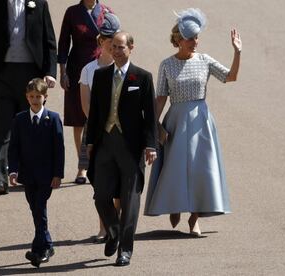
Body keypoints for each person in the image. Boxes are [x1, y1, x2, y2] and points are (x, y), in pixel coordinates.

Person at [144, 8, 242, 236]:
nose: (194, 42)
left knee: (200, 169)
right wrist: (155, 126)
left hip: (201, 121)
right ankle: (175, 205)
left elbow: (231, 76)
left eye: (197, 37)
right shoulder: (166, 65)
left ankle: (194, 218)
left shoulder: (205, 60)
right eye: (190, 38)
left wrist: (237, 53)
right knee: (174, 168)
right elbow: (160, 99)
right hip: (176, 120)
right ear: (178, 40)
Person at [86, 32, 157, 266]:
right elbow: (95, 112)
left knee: (129, 200)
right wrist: (89, 142)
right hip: (105, 143)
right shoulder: (101, 75)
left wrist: (150, 145)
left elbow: (150, 116)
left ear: (131, 48)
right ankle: (114, 232)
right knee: (101, 196)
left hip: (131, 147)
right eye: (113, 47)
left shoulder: (143, 78)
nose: (117, 51)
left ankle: (125, 250)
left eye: (121, 47)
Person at [0, 0, 57, 195]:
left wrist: (50, 71)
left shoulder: (39, 4)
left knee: (28, 127)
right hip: (3, 75)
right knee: (2, 128)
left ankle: (28, 174)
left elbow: (49, 42)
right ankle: (1, 180)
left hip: (30, 75)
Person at [8, 78, 64, 268]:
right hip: (27, 175)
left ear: (45, 97)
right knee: (35, 209)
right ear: (26, 97)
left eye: (38, 96)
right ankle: (47, 244)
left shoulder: (53, 118)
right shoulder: (19, 119)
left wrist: (58, 174)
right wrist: (13, 170)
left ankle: (39, 251)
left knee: (39, 208)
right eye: (31, 96)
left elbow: (59, 149)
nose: (34, 100)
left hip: (47, 176)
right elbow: (13, 148)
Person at [58, 0, 113, 184]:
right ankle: (83, 166)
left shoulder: (106, 11)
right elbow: (64, 43)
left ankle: (102, 162)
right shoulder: (72, 12)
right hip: (77, 68)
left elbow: (116, 41)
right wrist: (63, 72)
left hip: (102, 68)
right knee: (79, 120)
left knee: (103, 116)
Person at [78, 12, 121, 244]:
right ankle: (104, 227)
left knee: (120, 183)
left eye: (116, 40)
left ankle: (117, 223)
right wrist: (100, 131)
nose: (112, 44)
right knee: (100, 184)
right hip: (96, 134)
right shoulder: (88, 70)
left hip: (120, 134)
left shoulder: (126, 71)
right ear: (101, 41)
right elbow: (86, 106)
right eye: (108, 39)